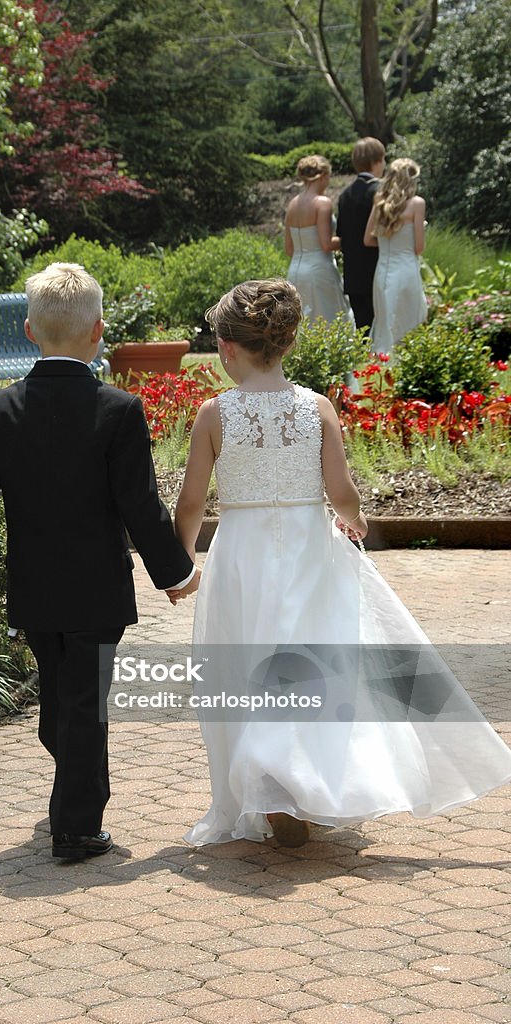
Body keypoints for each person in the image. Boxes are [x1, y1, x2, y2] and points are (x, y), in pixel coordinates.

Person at [173, 278, 511, 849]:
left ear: (226, 349)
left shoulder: (215, 414)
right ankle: (298, 776)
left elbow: (190, 503)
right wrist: (353, 521)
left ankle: (271, 780)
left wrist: (181, 564)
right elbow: (342, 488)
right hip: (307, 548)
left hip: (241, 556)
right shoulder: (317, 408)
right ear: (288, 341)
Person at [0, 262, 199, 860]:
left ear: (30, 330)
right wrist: (175, 572)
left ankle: (73, 800)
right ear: (99, 332)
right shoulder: (118, 409)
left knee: (66, 701)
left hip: (34, 587)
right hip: (96, 587)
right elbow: (138, 503)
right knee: (81, 703)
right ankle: (78, 828)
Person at [364, 157, 428, 354]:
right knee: (409, 318)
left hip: (383, 269)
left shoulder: (379, 203)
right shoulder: (417, 203)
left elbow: (368, 239)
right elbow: (419, 247)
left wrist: (386, 243)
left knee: (385, 319)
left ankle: (383, 358)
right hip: (407, 267)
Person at [285, 155, 353, 326]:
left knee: (304, 322)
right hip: (319, 269)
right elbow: (326, 244)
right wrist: (352, 240)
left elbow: (289, 249)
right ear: (322, 176)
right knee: (330, 319)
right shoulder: (322, 203)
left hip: (295, 271)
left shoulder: (292, 204)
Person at [337, 137, 386, 331]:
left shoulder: (344, 195)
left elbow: (341, 234)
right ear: (378, 161)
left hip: (353, 274)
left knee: (363, 330)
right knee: (380, 328)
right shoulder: (380, 191)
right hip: (377, 271)